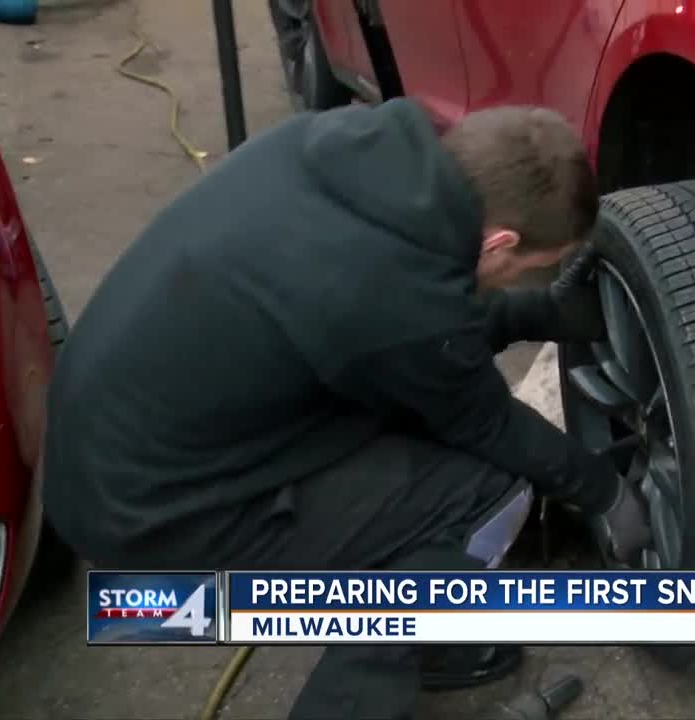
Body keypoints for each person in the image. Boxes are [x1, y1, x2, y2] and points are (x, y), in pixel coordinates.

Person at [41, 99, 651, 719]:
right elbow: (475, 409)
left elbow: (413, 322)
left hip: (94, 451)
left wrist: (537, 312)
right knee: (483, 497)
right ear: (499, 242)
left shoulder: (345, 154)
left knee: (411, 426)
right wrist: (602, 490)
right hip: (148, 528)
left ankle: (429, 635)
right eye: (528, 270)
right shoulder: (391, 306)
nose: (523, 280)